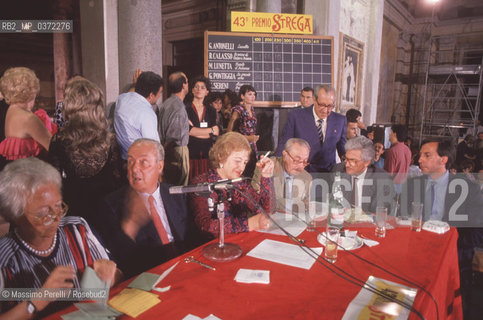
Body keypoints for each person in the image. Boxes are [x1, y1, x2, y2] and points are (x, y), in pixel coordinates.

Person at [0, 158, 120, 318]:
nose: (56, 217)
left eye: (58, 206)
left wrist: (111, 276)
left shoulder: (78, 229)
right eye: (43, 213)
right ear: (16, 216)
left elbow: (117, 276)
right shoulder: (5, 258)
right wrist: (38, 299)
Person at [400, 139, 483, 318]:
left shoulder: (469, 189)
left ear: (443, 160)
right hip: (416, 256)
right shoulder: (412, 186)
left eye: (427, 155)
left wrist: (449, 244)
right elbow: (402, 221)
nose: (419, 159)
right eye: (420, 155)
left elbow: (477, 231)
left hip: (454, 257)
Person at [94, 139, 197, 278]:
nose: (134, 168)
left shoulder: (176, 194)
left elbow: (191, 237)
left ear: (159, 166)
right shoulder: (111, 204)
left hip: (187, 267)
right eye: (130, 162)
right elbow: (119, 259)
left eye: (143, 162)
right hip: (150, 277)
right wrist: (131, 224)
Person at [48, 77, 122, 223]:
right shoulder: (110, 140)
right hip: (105, 212)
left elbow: (54, 181)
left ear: (70, 106)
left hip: (74, 213)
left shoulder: (59, 139)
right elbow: (117, 179)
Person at [189, 132, 274, 238]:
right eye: (237, 161)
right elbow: (205, 226)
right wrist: (249, 224)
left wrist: (265, 176)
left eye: (244, 162)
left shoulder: (241, 182)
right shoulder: (201, 183)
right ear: (221, 157)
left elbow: (263, 210)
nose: (241, 167)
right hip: (211, 247)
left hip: (239, 242)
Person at [277, 84, 347, 173]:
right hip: (302, 173)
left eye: (330, 106)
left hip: (328, 175)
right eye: (321, 105)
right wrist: (277, 167)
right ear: (314, 99)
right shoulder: (296, 116)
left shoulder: (340, 120)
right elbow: (284, 144)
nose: (325, 110)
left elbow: (342, 150)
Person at [0, 67, 57, 161]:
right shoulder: (28, 118)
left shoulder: (11, 110)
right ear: (32, 91)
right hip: (30, 172)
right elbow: (55, 148)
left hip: (15, 171)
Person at [331, 136, 395, 214]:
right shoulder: (338, 171)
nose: (347, 164)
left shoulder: (383, 180)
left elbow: (380, 215)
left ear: (367, 162)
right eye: (346, 159)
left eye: (353, 161)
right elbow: (332, 205)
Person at [253, 138, 312, 214]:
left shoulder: (306, 177)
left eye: (305, 162)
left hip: (294, 222)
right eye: (296, 160)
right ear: (284, 154)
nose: (301, 166)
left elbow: (306, 206)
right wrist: (294, 205)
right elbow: (257, 199)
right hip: (268, 220)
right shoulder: (266, 167)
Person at [114, 71, 163, 160]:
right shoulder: (147, 114)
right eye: (160, 92)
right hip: (140, 161)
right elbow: (153, 147)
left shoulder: (121, 99)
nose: (160, 95)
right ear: (151, 95)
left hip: (122, 158)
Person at [185, 76, 220, 181]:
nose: (199, 89)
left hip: (206, 155)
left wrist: (194, 131)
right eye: (196, 87)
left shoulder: (211, 110)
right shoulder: (185, 108)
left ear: (207, 92)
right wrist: (210, 130)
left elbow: (216, 133)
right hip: (190, 154)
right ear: (192, 90)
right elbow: (188, 132)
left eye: (202, 87)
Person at [158, 72, 190, 186]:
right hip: (177, 151)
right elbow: (172, 137)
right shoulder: (178, 107)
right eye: (187, 81)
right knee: (179, 187)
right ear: (183, 85)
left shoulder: (166, 103)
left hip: (168, 150)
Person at [227, 85, 259, 176]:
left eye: (254, 94)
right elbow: (230, 133)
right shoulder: (238, 110)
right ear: (242, 96)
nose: (253, 97)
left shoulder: (252, 110)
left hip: (252, 147)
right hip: (240, 146)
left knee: (251, 174)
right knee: (241, 173)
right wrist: (247, 138)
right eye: (249, 94)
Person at [384, 124, 411, 193]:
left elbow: (388, 173)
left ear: (394, 134)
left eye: (391, 132)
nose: (389, 134)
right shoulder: (407, 149)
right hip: (403, 185)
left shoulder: (392, 151)